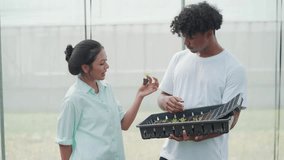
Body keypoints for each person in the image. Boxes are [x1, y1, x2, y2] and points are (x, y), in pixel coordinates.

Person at [157, 1, 247, 160]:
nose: (186, 42)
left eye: (191, 37)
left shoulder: (233, 68)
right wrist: (166, 101)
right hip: (170, 155)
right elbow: (162, 96)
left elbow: (231, 120)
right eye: (184, 36)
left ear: (209, 32)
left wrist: (196, 134)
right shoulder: (179, 58)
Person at [56, 39, 159, 160]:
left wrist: (140, 96)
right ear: (85, 68)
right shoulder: (73, 99)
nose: (107, 66)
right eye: (101, 63)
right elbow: (64, 143)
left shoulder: (106, 88)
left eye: (106, 61)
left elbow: (124, 124)